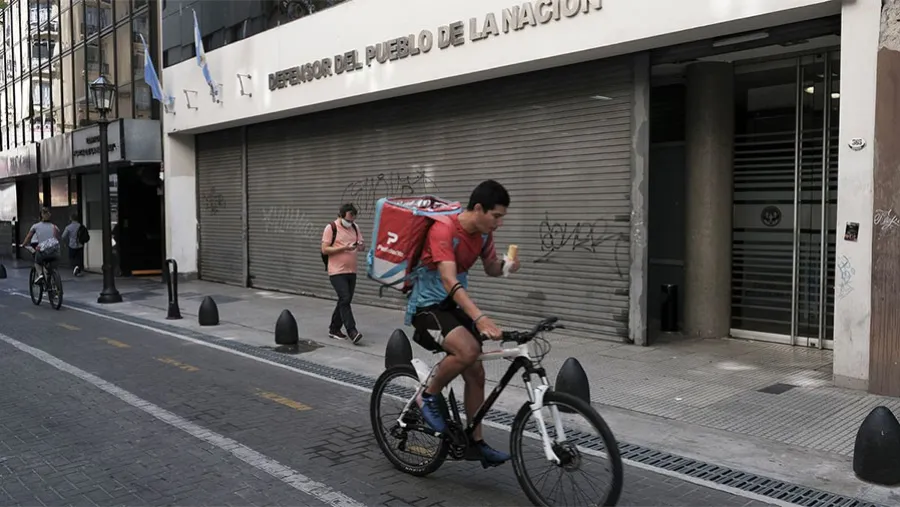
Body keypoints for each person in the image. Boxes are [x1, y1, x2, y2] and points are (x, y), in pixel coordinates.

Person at [409, 179, 520, 466]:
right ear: (479, 209)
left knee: (476, 374)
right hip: (427, 307)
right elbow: (448, 278)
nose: (499, 224)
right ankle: (428, 397)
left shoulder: (483, 235)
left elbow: (492, 268)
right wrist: (480, 317)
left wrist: (507, 267)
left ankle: (475, 442)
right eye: (496, 216)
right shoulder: (443, 228)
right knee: (468, 350)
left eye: (502, 218)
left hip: (454, 306)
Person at [321, 203, 364, 344]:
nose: (351, 223)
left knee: (344, 300)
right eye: (349, 219)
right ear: (341, 215)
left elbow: (362, 246)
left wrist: (360, 246)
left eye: (353, 220)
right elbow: (325, 249)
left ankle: (334, 329)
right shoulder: (331, 228)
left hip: (351, 270)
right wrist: (344, 248)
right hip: (336, 271)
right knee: (345, 298)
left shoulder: (355, 227)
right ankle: (352, 331)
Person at [21, 207, 61, 285]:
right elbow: (58, 238)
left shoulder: (35, 226)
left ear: (41, 216)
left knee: (37, 262)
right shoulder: (55, 227)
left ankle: (40, 275)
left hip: (43, 252)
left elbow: (29, 237)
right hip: (55, 252)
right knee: (52, 267)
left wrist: (24, 244)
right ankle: (54, 285)